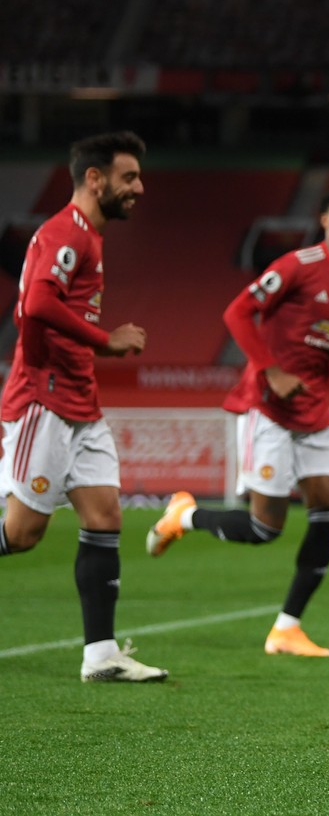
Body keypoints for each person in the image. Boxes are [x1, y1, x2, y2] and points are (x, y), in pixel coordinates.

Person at [146, 186, 329, 656]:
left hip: (314, 414)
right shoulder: (298, 265)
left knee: (328, 511)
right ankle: (184, 514)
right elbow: (238, 311)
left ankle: (287, 628)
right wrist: (271, 369)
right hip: (267, 409)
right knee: (266, 529)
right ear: (324, 220)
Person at [0, 131, 167, 682]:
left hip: (80, 403)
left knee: (104, 518)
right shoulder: (65, 233)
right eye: (129, 178)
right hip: (43, 401)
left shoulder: (89, 237)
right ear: (95, 179)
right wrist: (105, 340)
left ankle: (101, 655)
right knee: (21, 535)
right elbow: (38, 303)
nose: (138, 187)